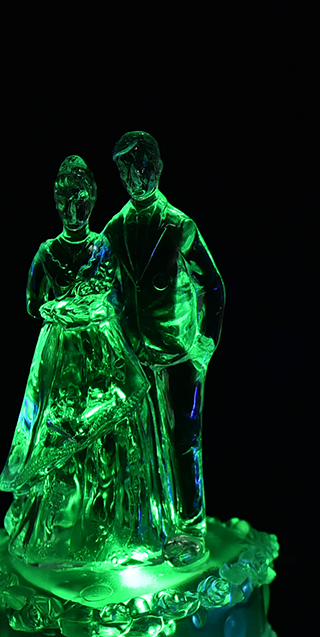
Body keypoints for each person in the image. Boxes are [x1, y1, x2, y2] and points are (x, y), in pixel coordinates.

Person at [0, 157, 157, 568]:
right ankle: (57, 535)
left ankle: (111, 530)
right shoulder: (47, 252)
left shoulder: (102, 247)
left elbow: (117, 299)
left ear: (92, 201)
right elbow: (33, 303)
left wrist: (87, 311)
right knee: (60, 436)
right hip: (64, 358)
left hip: (101, 353)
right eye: (65, 201)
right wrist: (63, 311)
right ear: (56, 203)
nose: (73, 209)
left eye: (80, 201)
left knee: (110, 435)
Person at [102, 132, 224, 564]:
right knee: (139, 443)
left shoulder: (179, 226)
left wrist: (203, 346)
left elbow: (212, 285)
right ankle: (148, 531)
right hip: (134, 359)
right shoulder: (112, 231)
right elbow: (109, 294)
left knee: (182, 441)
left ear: (157, 167)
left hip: (177, 355)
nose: (136, 177)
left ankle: (189, 529)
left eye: (142, 166)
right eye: (126, 169)